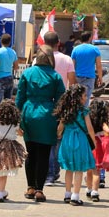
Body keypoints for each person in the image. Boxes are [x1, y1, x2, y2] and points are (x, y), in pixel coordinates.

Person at [15, 45, 66, 202]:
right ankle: (39, 190)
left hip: (28, 113)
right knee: (44, 154)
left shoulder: (28, 73)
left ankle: (30, 187)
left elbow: (19, 98)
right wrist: (61, 122)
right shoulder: (56, 76)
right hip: (47, 116)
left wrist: (17, 120)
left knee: (30, 153)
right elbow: (61, 101)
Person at [54, 84, 97, 206]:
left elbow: (60, 127)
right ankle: (75, 196)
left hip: (67, 140)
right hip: (80, 140)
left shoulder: (66, 111)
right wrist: (94, 142)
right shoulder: (84, 111)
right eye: (84, 95)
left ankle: (67, 194)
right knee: (78, 169)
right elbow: (89, 128)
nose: (85, 97)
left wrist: (59, 134)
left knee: (69, 168)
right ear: (78, 98)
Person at [43, 31, 76, 187]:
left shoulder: (39, 58)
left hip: (44, 101)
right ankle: (54, 171)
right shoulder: (67, 59)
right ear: (58, 43)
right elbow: (72, 83)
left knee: (47, 138)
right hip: (61, 102)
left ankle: (50, 173)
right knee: (58, 137)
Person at [0, 99, 28, 203]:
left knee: (0, 170)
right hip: (9, 149)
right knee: (4, 170)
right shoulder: (14, 124)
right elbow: (21, 133)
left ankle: (1, 191)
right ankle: (0, 192)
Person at [86, 98, 109, 202]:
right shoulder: (102, 122)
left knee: (88, 171)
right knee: (96, 171)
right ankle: (95, 192)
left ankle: (88, 189)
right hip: (98, 147)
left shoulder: (89, 119)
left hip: (89, 145)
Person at [0, 34, 18, 119]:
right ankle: (7, 122)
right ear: (10, 42)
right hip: (9, 78)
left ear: (1, 41)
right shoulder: (13, 52)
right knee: (8, 103)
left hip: (0, 78)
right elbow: (16, 66)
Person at [71, 32, 102, 98]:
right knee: (86, 98)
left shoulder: (75, 49)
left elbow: (72, 65)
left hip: (78, 77)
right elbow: (98, 65)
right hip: (89, 77)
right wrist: (100, 78)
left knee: (78, 98)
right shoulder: (95, 49)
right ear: (89, 38)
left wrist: (72, 79)